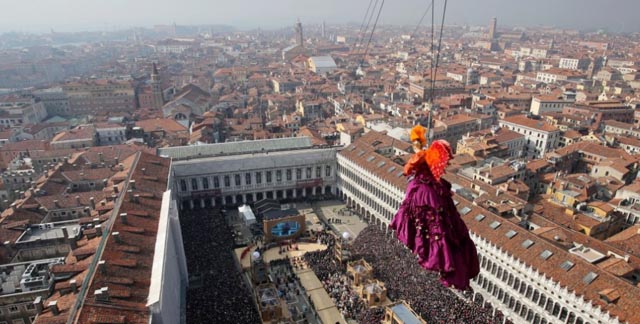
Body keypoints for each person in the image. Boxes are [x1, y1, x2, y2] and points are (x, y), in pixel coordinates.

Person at [389, 125, 480, 290]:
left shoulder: (436, 183)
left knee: (449, 229)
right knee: (436, 227)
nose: (445, 166)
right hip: (425, 192)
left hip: (428, 189)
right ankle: (436, 259)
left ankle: (441, 262)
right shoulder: (426, 188)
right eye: (444, 162)